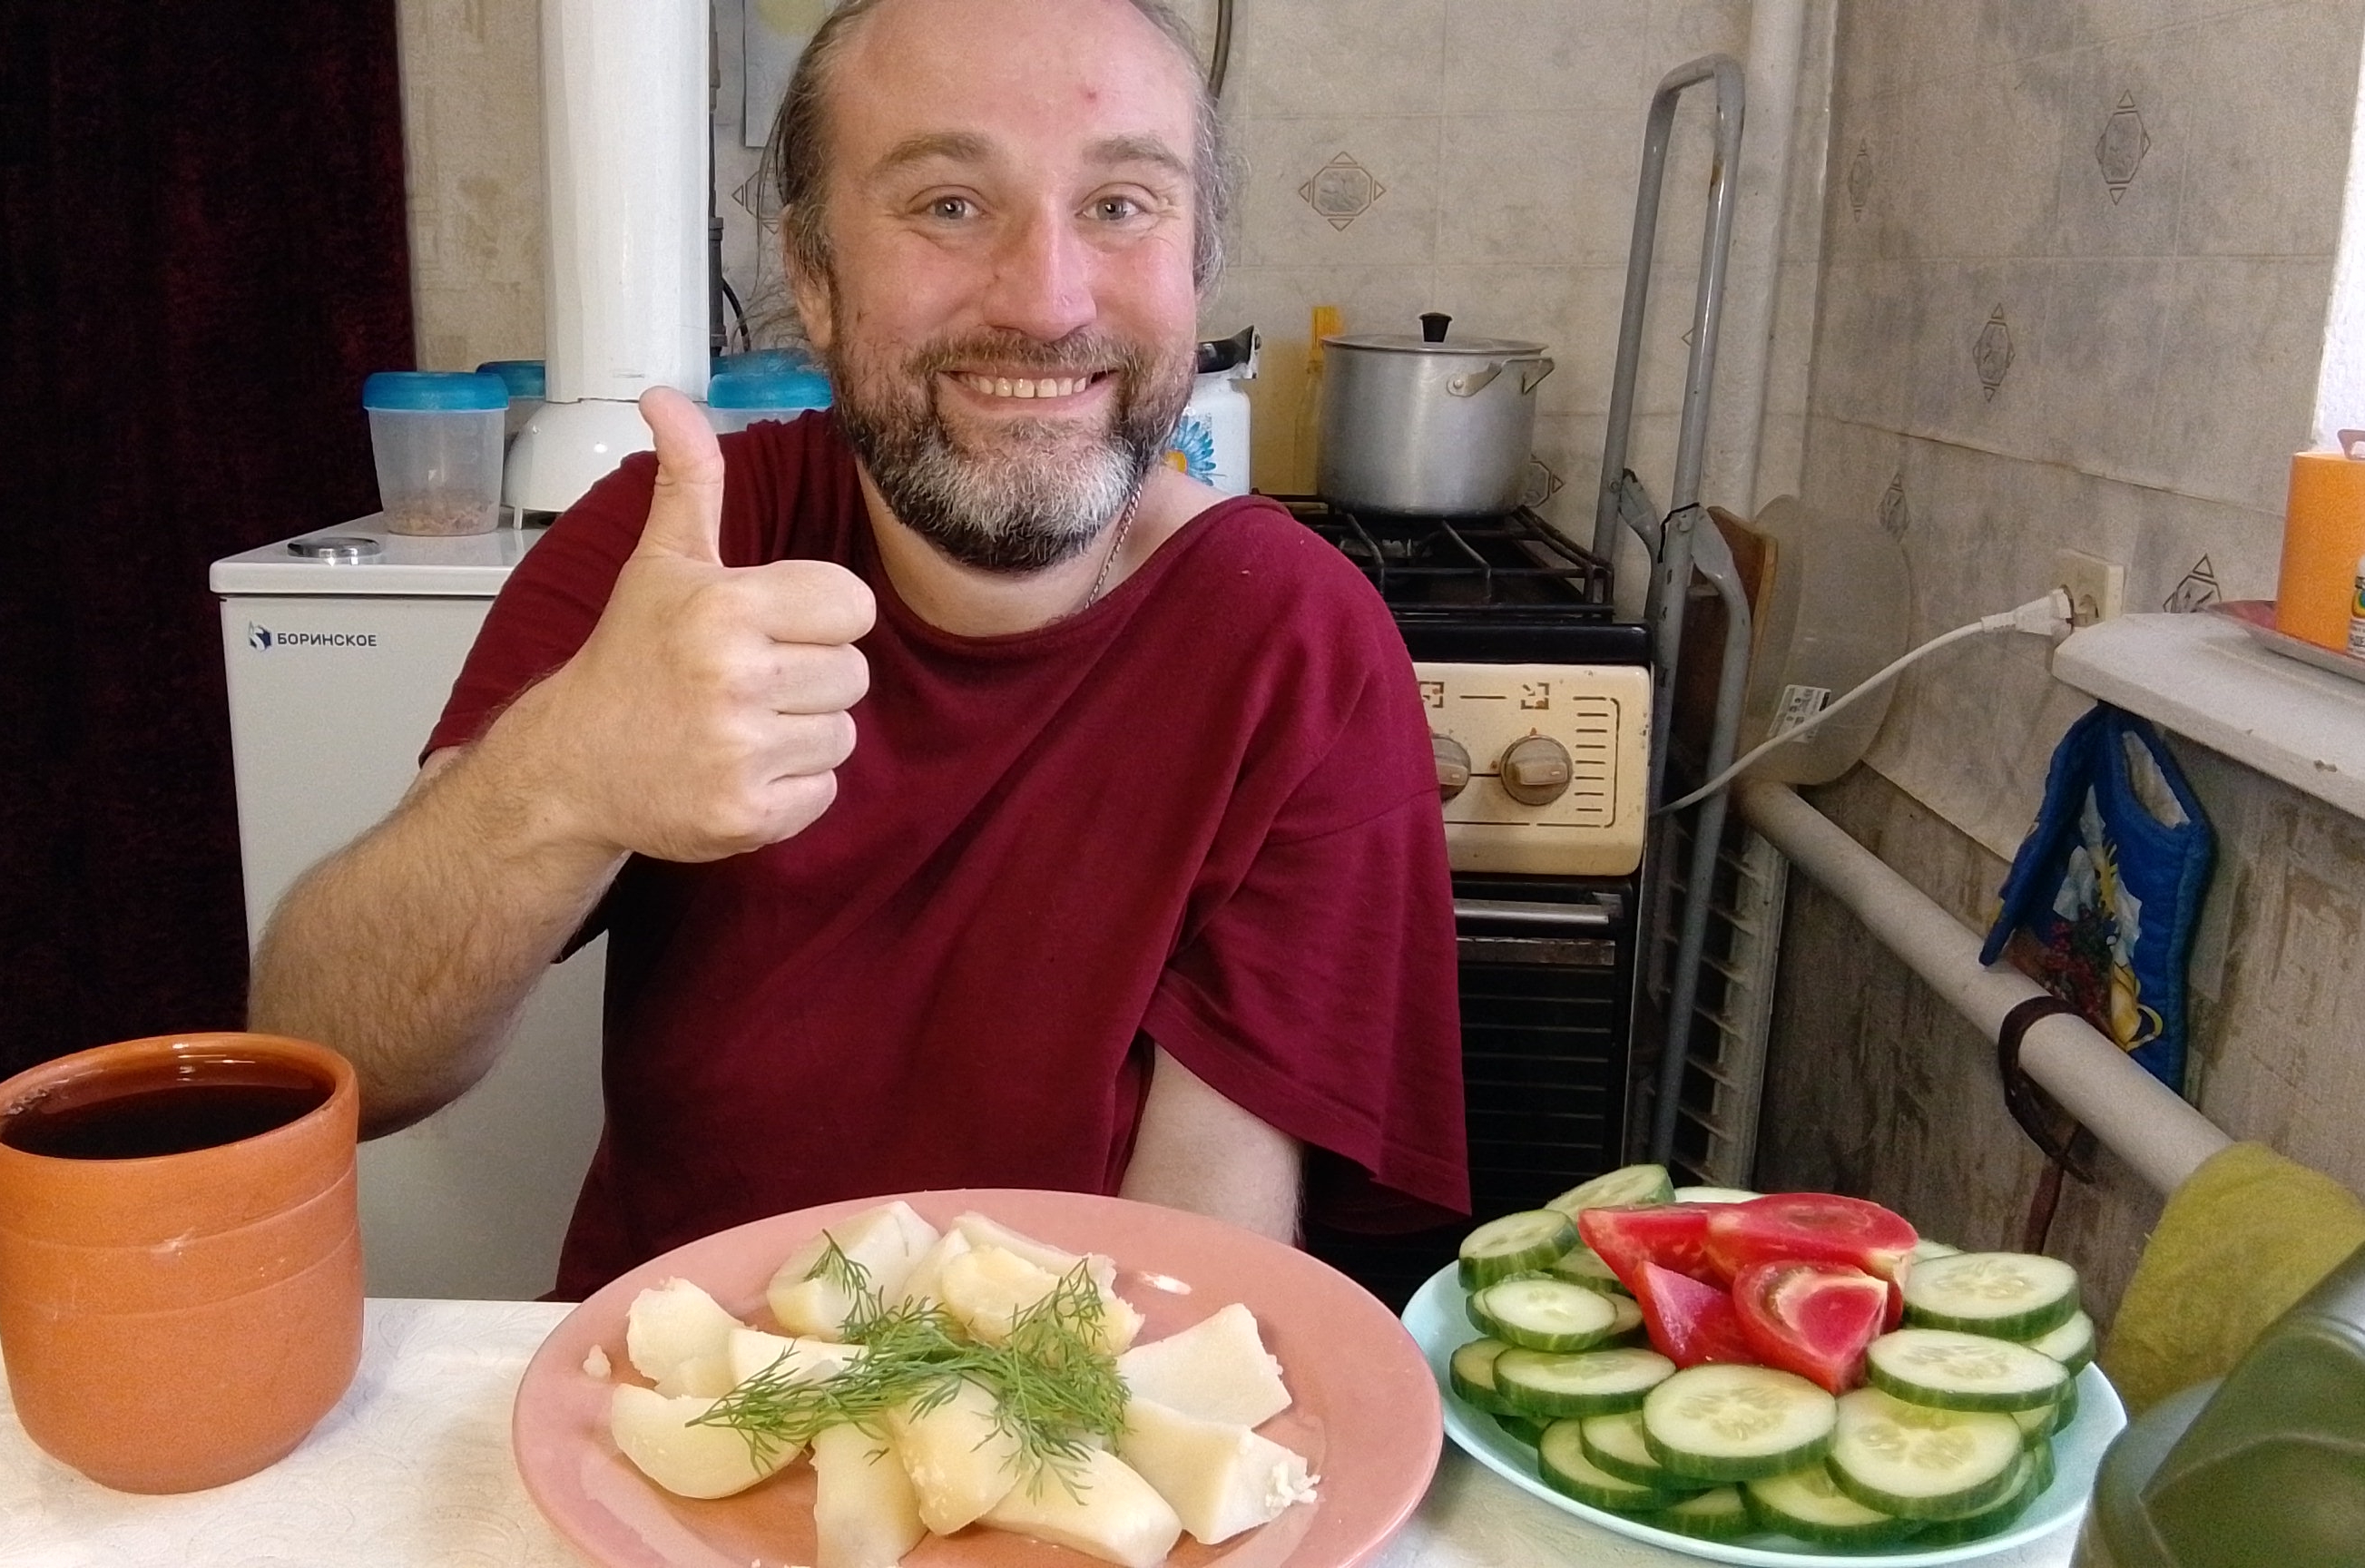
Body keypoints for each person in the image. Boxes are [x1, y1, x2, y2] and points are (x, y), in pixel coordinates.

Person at [250, 0, 1470, 1299]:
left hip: (1070, 1386)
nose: (1047, 301)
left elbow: (1202, 1244)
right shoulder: (685, 543)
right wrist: (560, 779)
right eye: (949, 204)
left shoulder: (1292, 638)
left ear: (1197, 269)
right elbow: (334, 1060)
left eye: (1121, 207)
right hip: (676, 1381)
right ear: (817, 278)